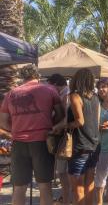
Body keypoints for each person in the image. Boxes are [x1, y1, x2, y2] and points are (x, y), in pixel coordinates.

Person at [0, 64, 64, 205]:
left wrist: (16, 129)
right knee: (45, 187)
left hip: (18, 143)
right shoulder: (50, 90)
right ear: (37, 75)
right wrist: (50, 124)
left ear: (22, 77)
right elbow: (60, 114)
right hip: (42, 142)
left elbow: (3, 122)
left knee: (19, 188)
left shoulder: (11, 94)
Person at [54, 68, 100, 205]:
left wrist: (64, 126)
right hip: (94, 144)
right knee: (90, 184)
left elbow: (80, 121)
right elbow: (96, 122)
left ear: (76, 80)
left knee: (78, 186)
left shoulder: (75, 96)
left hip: (80, 146)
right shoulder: (96, 98)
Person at [47, 73, 70, 205]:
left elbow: (65, 119)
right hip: (62, 137)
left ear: (55, 84)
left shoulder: (66, 96)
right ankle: (64, 197)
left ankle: (65, 200)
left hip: (64, 138)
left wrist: (55, 127)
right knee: (62, 172)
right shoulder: (63, 94)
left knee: (63, 172)